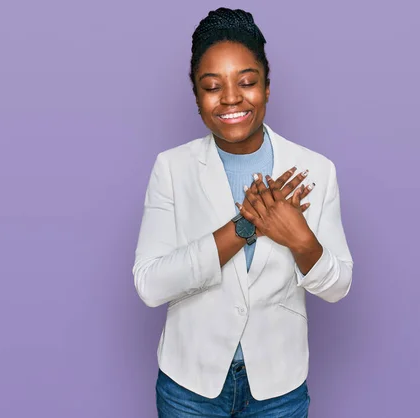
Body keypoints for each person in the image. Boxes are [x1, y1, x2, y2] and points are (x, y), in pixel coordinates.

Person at [133, 7, 354, 417]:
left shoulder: (316, 171)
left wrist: (300, 239)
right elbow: (150, 284)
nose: (231, 97)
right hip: (190, 386)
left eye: (247, 82)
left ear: (267, 87)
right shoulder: (172, 168)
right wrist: (246, 225)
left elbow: (338, 286)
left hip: (278, 388)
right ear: (197, 98)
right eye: (212, 86)